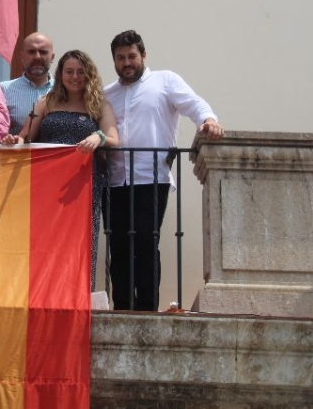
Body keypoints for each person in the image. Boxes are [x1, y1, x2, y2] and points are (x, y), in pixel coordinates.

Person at [104, 29, 224, 311]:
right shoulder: (107, 93)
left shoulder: (165, 81)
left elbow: (193, 103)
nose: (127, 62)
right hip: (115, 182)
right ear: (114, 61)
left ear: (143, 55)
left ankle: (146, 309)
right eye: (120, 58)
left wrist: (208, 119)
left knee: (146, 244)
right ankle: (122, 308)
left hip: (151, 179)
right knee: (118, 248)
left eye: (132, 56)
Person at [18, 50, 120, 291]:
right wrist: (14, 141)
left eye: (80, 72)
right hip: (47, 187)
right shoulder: (46, 101)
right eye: (69, 72)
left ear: (89, 74)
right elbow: (26, 136)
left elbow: (115, 139)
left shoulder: (99, 105)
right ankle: (44, 295)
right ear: (60, 74)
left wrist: (99, 136)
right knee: (45, 241)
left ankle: (77, 297)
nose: (75, 77)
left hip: (84, 187)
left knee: (80, 243)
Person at [0, 32, 55, 136]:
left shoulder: (64, 90)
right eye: (31, 52)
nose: (37, 57)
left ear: (52, 57)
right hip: (17, 152)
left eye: (43, 52)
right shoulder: (3, 90)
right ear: (22, 56)